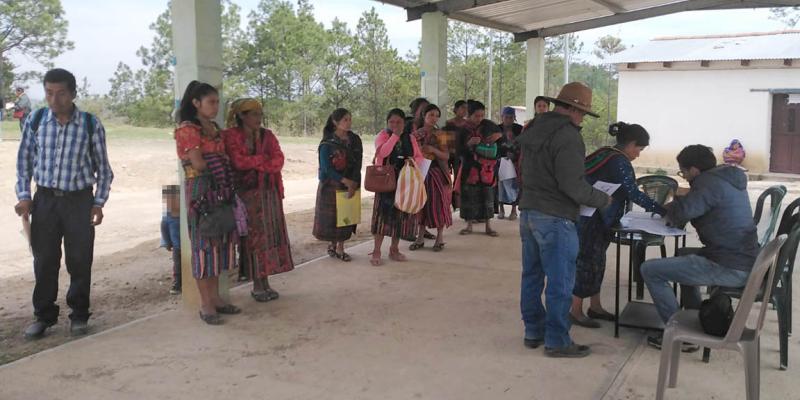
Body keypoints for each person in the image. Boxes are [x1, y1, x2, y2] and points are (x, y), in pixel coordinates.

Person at [14, 68, 114, 339]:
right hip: (44, 201)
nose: (54, 99)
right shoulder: (35, 121)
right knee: (44, 260)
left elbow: (104, 171)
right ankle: (43, 316)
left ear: (72, 94)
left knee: (80, 260)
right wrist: (24, 196)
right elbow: (24, 164)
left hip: (79, 202)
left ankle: (79, 314)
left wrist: (98, 202)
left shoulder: (91, 124)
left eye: (60, 94)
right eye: (49, 93)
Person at [516, 82, 611, 358]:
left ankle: (533, 330)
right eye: (582, 113)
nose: (582, 118)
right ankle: (557, 340)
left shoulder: (535, 127)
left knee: (532, 276)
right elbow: (574, 186)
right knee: (560, 282)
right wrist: (602, 199)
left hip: (530, 212)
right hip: (556, 218)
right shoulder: (568, 136)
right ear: (571, 109)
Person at [642, 144, 758, 349]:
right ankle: (695, 317)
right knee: (682, 254)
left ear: (694, 170)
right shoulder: (725, 177)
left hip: (729, 264)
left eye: (683, 171)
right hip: (743, 258)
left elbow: (682, 213)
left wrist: (673, 202)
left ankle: (679, 333)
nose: (684, 176)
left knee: (650, 270)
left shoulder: (707, 183)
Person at [569, 122, 666, 328]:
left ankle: (595, 306)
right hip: (594, 219)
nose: (638, 154)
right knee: (586, 263)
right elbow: (633, 193)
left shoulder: (605, 153)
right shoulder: (619, 161)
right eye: (638, 149)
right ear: (630, 143)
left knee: (596, 261)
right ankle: (575, 311)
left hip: (591, 215)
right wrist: (662, 210)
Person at [174, 80, 242, 325]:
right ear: (196, 103)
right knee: (204, 245)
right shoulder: (187, 130)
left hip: (218, 189)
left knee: (220, 243)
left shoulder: (212, 128)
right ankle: (206, 304)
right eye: (211, 102)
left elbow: (210, 160)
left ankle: (216, 299)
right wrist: (221, 162)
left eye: (217, 102)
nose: (215, 107)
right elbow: (200, 164)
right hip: (201, 191)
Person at [222, 98, 294, 302]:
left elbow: (278, 160)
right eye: (254, 114)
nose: (258, 118)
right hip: (246, 197)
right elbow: (238, 162)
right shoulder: (232, 136)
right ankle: (257, 285)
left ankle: (265, 282)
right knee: (254, 240)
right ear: (242, 116)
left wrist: (256, 163)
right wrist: (263, 160)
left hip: (268, 195)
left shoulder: (267, 135)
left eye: (259, 114)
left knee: (268, 238)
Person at [370, 108, 424, 266]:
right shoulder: (383, 135)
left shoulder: (410, 138)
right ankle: (376, 250)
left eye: (398, 122)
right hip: (386, 183)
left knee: (400, 218)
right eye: (391, 122)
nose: (395, 124)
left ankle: (394, 249)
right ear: (387, 122)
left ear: (404, 122)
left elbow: (419, 156)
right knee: (382, 218)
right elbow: (383, 153)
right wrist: (395, 135)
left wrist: (413, 163)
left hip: (404, 182)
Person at [313, 108, 363, 262]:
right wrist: (345, 181)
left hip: (351, 183)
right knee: (332, 219)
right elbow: (326, 168)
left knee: (345, 217)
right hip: (331, 185)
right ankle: (332, 244)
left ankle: (340, 248)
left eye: (349, 119)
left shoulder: (354, 139)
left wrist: (353, 182)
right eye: (345, 120)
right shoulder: (328, 143)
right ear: (335, 122)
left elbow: (358, 161)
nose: (348, 123)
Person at [410, 104, 452, 252]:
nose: (434, 118)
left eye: (436, 115)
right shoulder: (415, 135)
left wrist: (432, 150)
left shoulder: (441, 134)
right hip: (420, 174)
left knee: (438, 205)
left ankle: (440, 238)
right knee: (420, 205)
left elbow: (446, 156)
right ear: (424, 116)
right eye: (431, 115)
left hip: (436, 174)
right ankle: (420, 237)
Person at [458, 100, 501, 236]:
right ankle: (469, 225)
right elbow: (457, 150)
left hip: (487, 168)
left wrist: (498, 136)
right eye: (476, 116)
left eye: (482, 115)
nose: (479, 118)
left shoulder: (488, 125)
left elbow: (501, 135)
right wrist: (468, 144)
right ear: (469, 115)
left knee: (487, 196)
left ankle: (488, 226)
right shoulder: (463, 130)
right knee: (470, 196)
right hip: (470, 168)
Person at [497, 106, 523, 220]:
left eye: (511, 117)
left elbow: (522, 144)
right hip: (500, 160)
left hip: (515, 161)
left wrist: (515, 154)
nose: (508, 120)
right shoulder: (496, 129)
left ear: (514, 118)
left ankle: (513, 210)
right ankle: (501, 209)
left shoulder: (519, 129)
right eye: (506, 117)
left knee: (514, 186)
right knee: (500, 186)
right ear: (502, 117)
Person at [160, 185, 182, 295]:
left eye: (174, 199)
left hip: (189, 246)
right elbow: (164, 228)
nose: (171, 203)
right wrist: (167, 243)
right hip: (177, 247)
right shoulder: (167, 216)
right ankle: (177, 284)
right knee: (177, 265)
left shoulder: (185, 213)